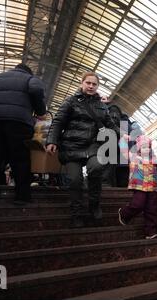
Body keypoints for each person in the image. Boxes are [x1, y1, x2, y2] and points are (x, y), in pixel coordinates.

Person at [46, 72, 119, 228]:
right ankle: (76, 213)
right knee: (75, 180)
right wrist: (52, 141)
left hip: (93, 146)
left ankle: (94, 205)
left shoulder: (101, 105)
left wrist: (121, 134)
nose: (91, 86)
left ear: (97, 86)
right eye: (88, 83)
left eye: (94, 84)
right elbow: (58, 121)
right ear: (82, 83)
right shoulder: (71, 101)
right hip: (71, 146)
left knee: (96, 168)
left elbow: (110, 124)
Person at [0, 63, 47, 206]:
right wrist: (40, 111)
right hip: (20, 123)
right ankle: (22, 197)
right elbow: (36, 90)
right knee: (20, 159)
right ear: (28, 72)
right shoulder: (30, 78)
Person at [118, 134, 157, 239]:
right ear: (138, 148)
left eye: (148, 147)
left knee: (152, 209)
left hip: (153, 188)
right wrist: (124, 139)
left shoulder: (156, 159)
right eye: (143, 147)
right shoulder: (134, 157)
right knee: (138, 204)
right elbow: (123, 149)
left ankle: (151, 232)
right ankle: (124, 213)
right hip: (139, 186)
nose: (146, 149)